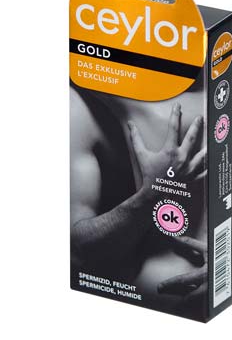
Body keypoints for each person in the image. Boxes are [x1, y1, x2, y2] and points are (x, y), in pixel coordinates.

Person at [70, 74, 208, 318]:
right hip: (143, 294)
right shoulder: (81, 106)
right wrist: (151, 195)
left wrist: (224, 258)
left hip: (205, 290)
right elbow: (78, 252)